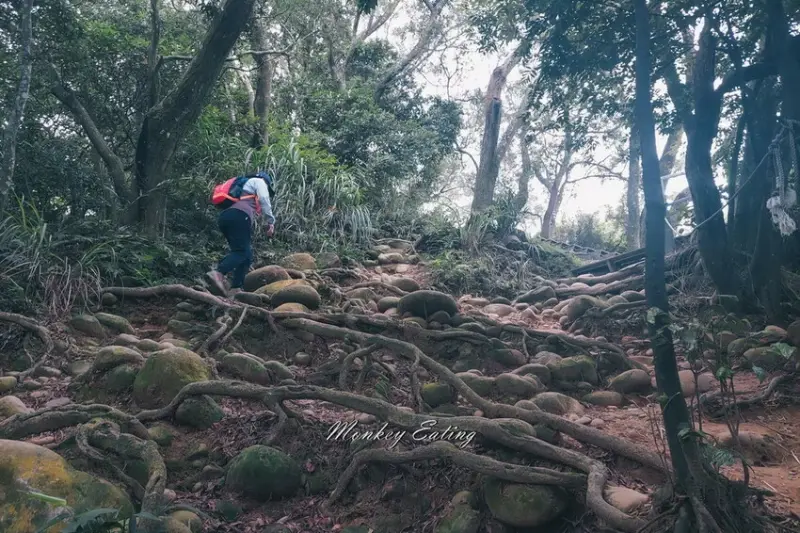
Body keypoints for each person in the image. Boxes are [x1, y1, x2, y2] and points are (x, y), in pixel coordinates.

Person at [206, 171, 275, 296]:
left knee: (246, 254)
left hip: (226, 217)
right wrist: (271, 222)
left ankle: (236, 288)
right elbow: (264, 199)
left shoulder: (241, 185)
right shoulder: (258, 181)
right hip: (239, 216)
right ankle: (219, 273)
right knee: (241, 252)